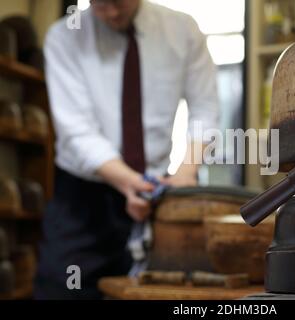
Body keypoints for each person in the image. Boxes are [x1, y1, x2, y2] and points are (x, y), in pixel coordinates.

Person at [34, 0, 219, 299]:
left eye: (119, 1)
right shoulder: (65, 36)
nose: (111, 12)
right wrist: (126, 181)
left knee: (161, 292)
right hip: (85, 196)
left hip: (159, 191)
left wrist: (186, 174)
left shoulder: (183, 30)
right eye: (100, 3)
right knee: (63, 289)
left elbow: (205, 109)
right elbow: (76, 131)